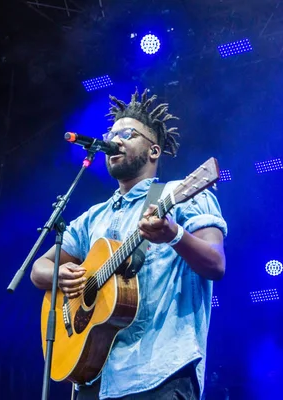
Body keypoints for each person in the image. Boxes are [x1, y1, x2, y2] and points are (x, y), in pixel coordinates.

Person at [30, 88, 228, 399]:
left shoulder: (182, 194)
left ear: (154, 151)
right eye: (111, 133)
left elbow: (216, 264)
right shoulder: (92, 218)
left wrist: (173, 234)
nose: (115, 139)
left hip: (159, 373)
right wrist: (63, 275)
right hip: (92, 377)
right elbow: (39, 269)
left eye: (128, 134)